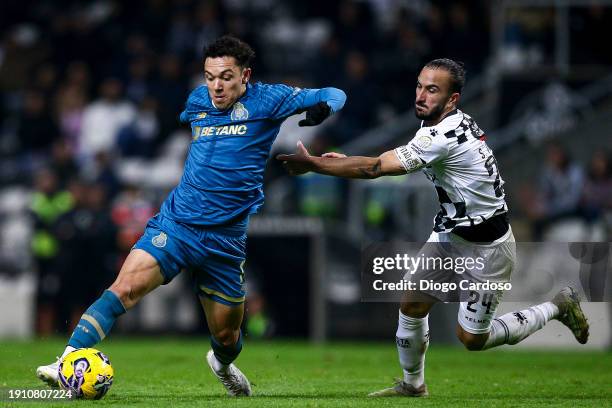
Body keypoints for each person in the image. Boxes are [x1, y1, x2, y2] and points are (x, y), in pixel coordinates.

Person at [36, 35, 346, 396]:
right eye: (210, 76)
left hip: (225, 240)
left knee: (228, 336)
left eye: (226, 77)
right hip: (178, 224)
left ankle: (222, 362)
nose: (216, 85)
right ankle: (67, 361)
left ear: (245, 75)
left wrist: (322, 108)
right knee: (124, 289)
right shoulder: (197, 100)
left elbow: (335, 92)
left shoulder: (271, 99)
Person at [277, 58, 589, 397]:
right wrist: (342, 160)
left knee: (472, 339)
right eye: (419, 86)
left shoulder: (440, 136)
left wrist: (315, 165)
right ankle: (413, 386)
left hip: (490, 246)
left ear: (452, 99)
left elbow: (375, 169)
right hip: (450, 236)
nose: (421, 95)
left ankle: (558, 306)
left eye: (432, 90)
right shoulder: (442, 124)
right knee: (411, 304)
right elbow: (384, 159)